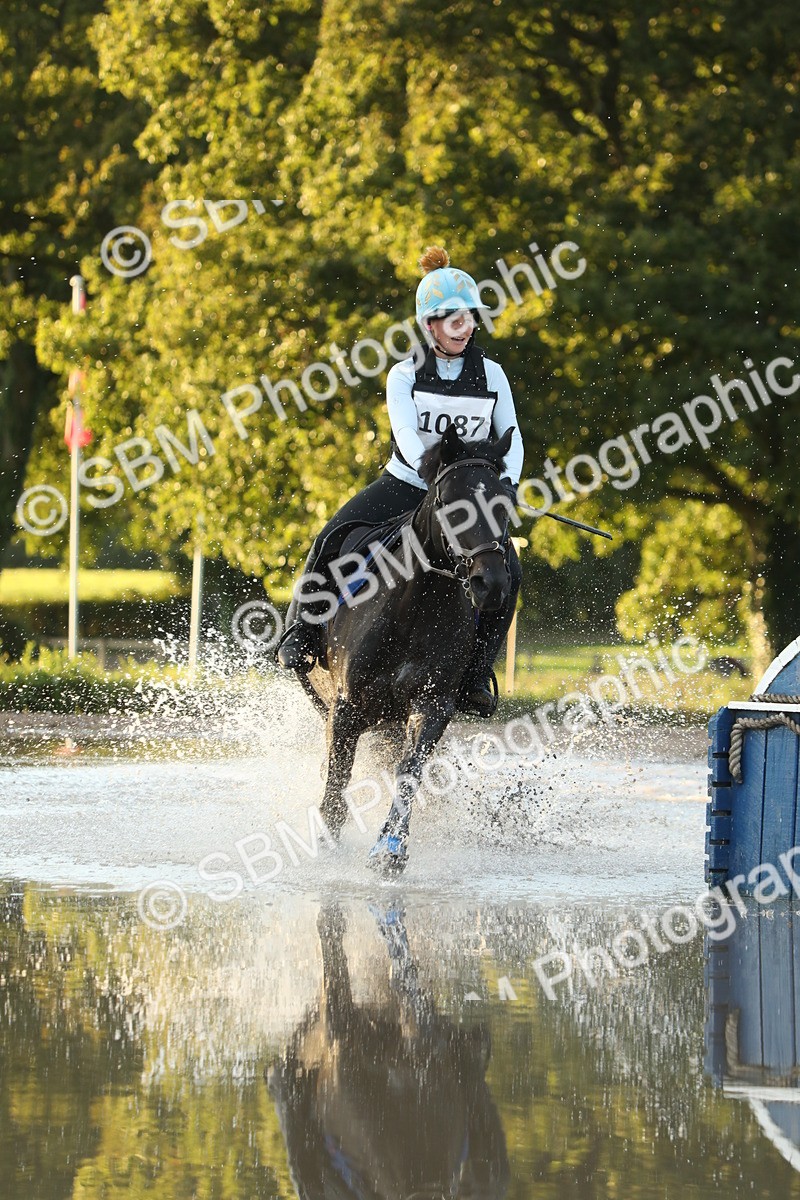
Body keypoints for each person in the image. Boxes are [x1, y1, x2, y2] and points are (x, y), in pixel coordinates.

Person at [275, 246, 525, 717]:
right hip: (407, 484)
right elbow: (407, 434)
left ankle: (473, 675)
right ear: (430, 325)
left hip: (466, 498)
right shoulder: (403, 374)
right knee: (333, 537)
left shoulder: (492, 375)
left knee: (508, 571)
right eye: (453, 319)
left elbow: (512, 439)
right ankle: (301, 632)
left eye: (469, 318)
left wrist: (506, 486)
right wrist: (432, 477)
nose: (465, 327)